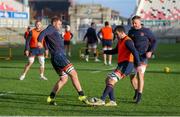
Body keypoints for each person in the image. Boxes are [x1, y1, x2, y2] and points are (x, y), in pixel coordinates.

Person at [37, 16, 89, 105]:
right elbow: (43, 33)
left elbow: (47, 39)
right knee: (74, 74)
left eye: (61, 24)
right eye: (59, 24)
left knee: (64, 79)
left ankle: (51, 98)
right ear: (54, 23)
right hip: (59, 56)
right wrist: (39, 41)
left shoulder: (53, 31)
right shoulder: (51, 28)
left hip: (55, 58)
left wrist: (60, 38)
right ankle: (82, 96)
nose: (60, 25)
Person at [92, 25, 141, 106]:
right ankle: (112, 101)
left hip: (127, 65)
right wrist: (104, 52)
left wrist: (138, 64)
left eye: (117, 34)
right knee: (108, 79)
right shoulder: (121, 41)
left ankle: (102, 99)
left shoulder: (128, 41)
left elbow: (135, 52)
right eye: (115, 34)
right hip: (122, 65)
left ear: (122, 33)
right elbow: (115, 51)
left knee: (111, 80)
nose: (116, 36)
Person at [128, 16, 157, 104]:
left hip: (143, 57)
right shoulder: (131, 31)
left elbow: (154, 41)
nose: (134, 25)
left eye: (135, 23)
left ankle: (139, 97)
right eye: (133, 23)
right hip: (133, 57)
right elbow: (127, 42)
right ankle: (136, 91)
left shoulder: (146, 31)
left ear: (140, 22)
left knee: (140, 74)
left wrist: (150, 51)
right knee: (132, 78)